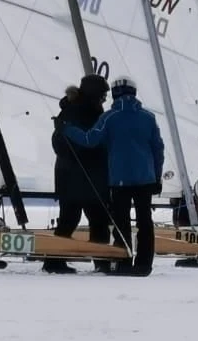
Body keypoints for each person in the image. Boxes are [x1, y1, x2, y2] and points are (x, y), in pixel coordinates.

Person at [61, 76, 164, 276]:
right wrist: (157, 177)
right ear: (134, 93)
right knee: (145, 221)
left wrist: (67, 129)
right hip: (145, 178)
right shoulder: (148, 117)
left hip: (119, 179)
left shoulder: (109, 117)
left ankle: (123, 261)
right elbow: (158, 149)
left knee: (121, 222)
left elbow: (90, 139)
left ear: (115, 94)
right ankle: (144, 264)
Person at [46, 75, 112, 274]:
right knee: (96, 220)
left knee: (72, 219)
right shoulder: (81, 112)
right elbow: (61, 142)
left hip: (73, 176)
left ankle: (54, 261)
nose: (104, 99)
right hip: (82, 176)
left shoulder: (75, 110)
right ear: (93, 94)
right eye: (102, 95)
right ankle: (100, 262)